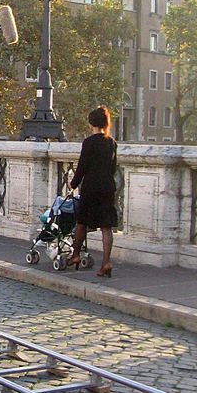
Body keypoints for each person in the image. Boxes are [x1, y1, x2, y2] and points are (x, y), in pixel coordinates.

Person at [68, 106, 118, 278]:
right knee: (106, 226)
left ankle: (75, 255)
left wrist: (73, 184)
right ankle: (106, 262)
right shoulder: (111, 142)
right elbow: (113, 168)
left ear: (91, 124)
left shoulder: (88, 143)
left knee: (81, 223)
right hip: (107, 187)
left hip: (91, 187)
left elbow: (82, 167)